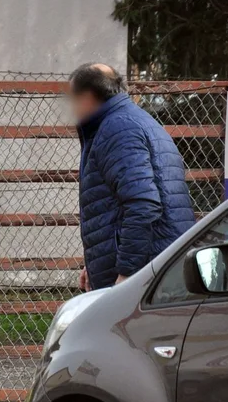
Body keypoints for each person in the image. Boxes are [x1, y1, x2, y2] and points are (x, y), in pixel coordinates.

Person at [68, 62, 195, 292]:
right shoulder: (132, 121)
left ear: (86, 98)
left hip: (146, 279)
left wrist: (126, 274)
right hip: (160, 268)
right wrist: (96, 267)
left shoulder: (118, 129)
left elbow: (143, 204)